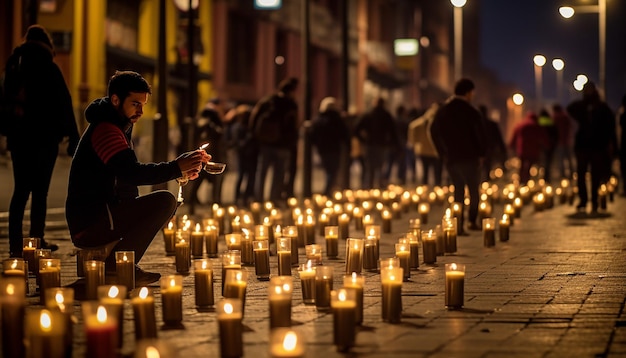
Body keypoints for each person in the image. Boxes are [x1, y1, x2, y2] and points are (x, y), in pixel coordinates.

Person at [65, 71, 209, 284]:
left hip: (103, 216)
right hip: (91, 222)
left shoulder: (118, 126)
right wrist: (176, 167)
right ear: (116, 100)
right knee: (164, 201)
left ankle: (122, 263)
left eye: (143, 105)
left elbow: (124, 179)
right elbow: (131, 172)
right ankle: (117, 266)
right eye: (135, 104)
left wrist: (180, 170)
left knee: (164, 203)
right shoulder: (106, 130)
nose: (141, 111)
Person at [1, 25, 80, 257]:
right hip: (45, 140)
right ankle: (36, 240)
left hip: (19, 140)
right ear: (47, 45)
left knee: (20, 192)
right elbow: (64, 103)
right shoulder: (49, 68)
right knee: (40, 193)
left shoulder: (14, 66)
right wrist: (73, 136)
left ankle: (15, 247)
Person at [430, 78, 486, 234]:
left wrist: (442, 152)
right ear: (468, 93)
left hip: (451, 157)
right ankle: (472, 221)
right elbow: (480, 134)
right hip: (470, 157)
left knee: (458, 190)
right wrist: (482, 153)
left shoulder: (443, 110)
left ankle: (458, 225)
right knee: (473, 190)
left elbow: (433, 131)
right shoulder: (472, 111)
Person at [566, 82, 617, 213]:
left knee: (596, 175)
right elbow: (570, 108)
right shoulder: (582, 106)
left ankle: (594, 200)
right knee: (581, 174)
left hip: (597, 146)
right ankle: (583, 200)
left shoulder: (602, 107)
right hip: (582, 146)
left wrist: (611, 144)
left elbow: (611, 127)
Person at [250, 77, 299, 205]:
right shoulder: (291, 104)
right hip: (283, 145)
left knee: (262, 173)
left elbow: (254, 117)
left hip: (266, 143)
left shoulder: (268, 100)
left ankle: (258, 198)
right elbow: (295, 124)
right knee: (279, 174)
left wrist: (256, 136)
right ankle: (273, 199)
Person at [353, 97, 399, 189]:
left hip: (370, 144)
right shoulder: (386, 115)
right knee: (380, 167)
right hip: (381, 145)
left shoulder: (369, 114)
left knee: (370, 168)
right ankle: (378, 187)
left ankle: (369, 187)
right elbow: (393, 131)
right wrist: (393, 143)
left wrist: (363, 140)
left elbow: (356, 129)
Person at [309, 97, 351, 196]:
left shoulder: (319, 119)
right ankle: (327, 191)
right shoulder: (337, 119)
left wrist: (317, 144)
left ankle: (329, 190)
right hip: (334, 149)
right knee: (332, 171)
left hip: (323, 149)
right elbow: (344, 134)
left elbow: (313, 135)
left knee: (329, 170)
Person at [189, 98, 225, 209]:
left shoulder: (201, 121)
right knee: (209, 178)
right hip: (210, 155)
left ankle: (194, 200)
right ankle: (214, 201)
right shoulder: (212, 123)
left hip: (206, 155)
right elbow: (219, 135)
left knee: (200, 178)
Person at [509, 111, 550, 185]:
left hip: (522, 149)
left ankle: (521, 181)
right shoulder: (537, 126)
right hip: (533, 150)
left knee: (522, 166)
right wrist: (547, 145)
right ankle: (528, 181)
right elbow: (543, 137)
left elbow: (515, 135)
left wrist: (511, 145)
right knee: (530, 166)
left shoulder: (521, 125)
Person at [408, 102, 443, 187]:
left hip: (423, 150)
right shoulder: (439, 121)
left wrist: (414, 142)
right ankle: (437, 188)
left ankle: (425, 189)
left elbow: (412, 127)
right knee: (437, 173)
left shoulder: (421, 121)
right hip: (436, 151)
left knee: (425, 172)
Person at [229, 104, 257, 205]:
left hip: (250, 154)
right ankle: (239, 197)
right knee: (242, 176)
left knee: (250, 176)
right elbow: (238, 142)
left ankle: (246, 196)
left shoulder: (249, 127)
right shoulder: (239, 127)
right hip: (244, 154)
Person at [479, 105, 507, 182]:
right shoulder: (491, 124)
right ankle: (485, 181)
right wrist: (502, 149)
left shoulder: (475, 124)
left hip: (481, 150)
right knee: (487, 167)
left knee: (480, 169)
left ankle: (482, 183)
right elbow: (498, 137)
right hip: (488, 149)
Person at [551, 103, 574, 180]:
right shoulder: (566, 116)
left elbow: (553, 130)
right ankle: (571, 173)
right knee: (569, 159)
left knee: (560, 159)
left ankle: (563, 174)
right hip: (567, 140)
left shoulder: (555, 117)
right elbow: (570, 127)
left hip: (559, 141)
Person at [537, 108, 558, 183]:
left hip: (543, 145)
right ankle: (547, 177)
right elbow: (556, 134)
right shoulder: (551, 122)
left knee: (542, 161)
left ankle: (542, 177)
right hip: (551, 145)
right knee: (548, 162)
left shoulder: (539, 122)